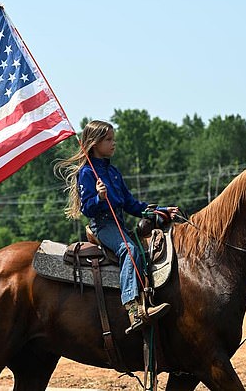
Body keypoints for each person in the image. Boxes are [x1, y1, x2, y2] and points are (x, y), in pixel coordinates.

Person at [56, 120, 177, 334]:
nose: (114, 143)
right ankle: (132, 308)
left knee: (145, 251)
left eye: (114, 139)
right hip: (103, 226)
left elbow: (131, 204)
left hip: (119, 224)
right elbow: (87, 209)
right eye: (108, 140)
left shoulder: (114, 173)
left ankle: (148, 298)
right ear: (95, 144)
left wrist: (161, 211)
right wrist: (100, 198)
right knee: (129, 251)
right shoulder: (86, 173)